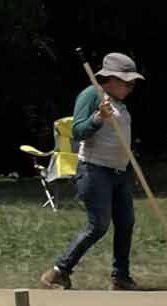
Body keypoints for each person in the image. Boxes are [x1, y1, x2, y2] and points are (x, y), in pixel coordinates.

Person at [42, 50, 144, 290]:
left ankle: (120, 277)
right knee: (98, 224)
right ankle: (58, 272)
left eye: (132, 83)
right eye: (127, 82)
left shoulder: (119, 104)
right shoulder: (92, 95)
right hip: (94, 171)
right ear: (111, 80)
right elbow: (77, 132)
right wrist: (98, 118)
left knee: (126, 222)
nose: (131, 87)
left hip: (119, 173)